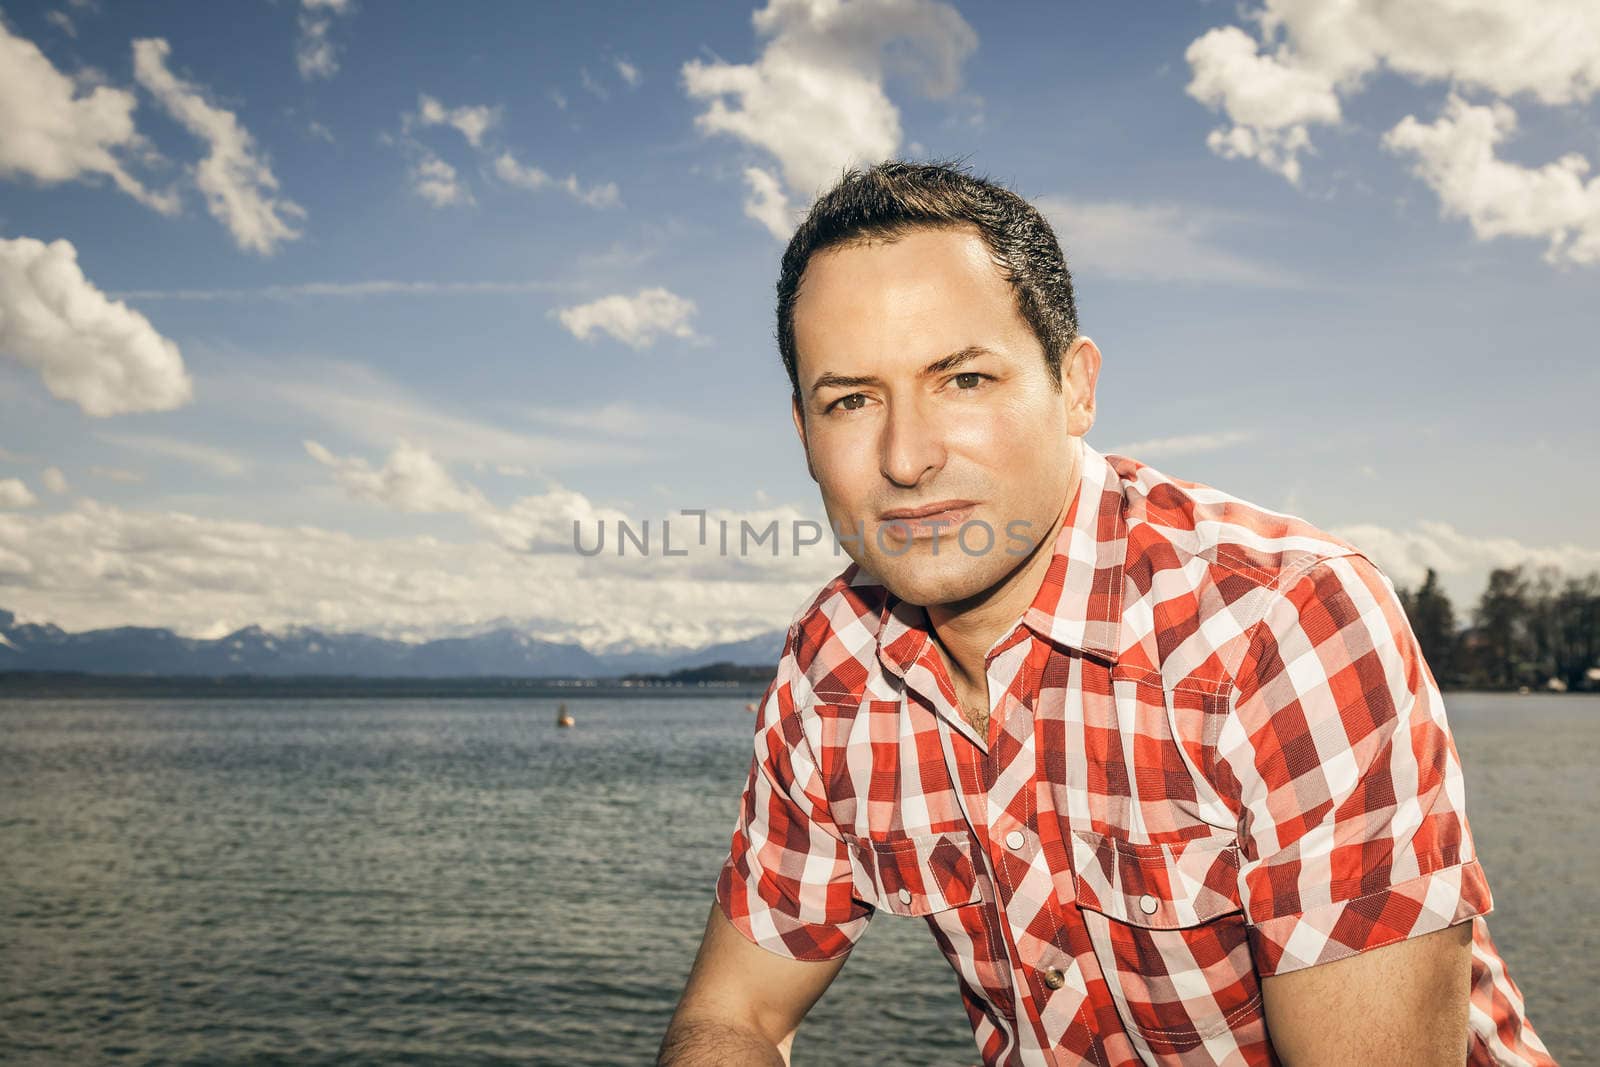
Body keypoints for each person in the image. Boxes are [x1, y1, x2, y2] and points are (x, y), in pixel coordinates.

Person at [657, 160, 1553, 1066]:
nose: (906, 455)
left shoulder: (1280, 625)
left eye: (963, 379)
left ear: (1076, 387)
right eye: (851, 399)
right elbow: (733, 1018)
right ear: (804, 434)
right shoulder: (832, 666)